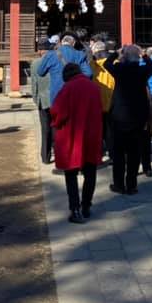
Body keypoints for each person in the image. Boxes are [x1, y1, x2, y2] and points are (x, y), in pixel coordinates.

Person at [49, 62, 103, 223]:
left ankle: (75, 209)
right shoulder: (94, 87)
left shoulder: (68, 89)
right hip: (91, 134)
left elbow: (57, 111)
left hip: (71, 135)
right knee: (90, 172)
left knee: (71, 174)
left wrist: (55, 122)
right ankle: (86, 206)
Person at [105, 44, 152, 194]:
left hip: (119, 116)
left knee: (119, 153)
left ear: (124, 57)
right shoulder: (142, 71)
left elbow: (107, 64)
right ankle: (131, 185)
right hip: (137, 117)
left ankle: (119, 184)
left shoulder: (119, 69)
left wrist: (116, 53)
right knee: (134, 153)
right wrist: (144, 55)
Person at [37, 34, 92, 105]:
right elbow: (89, 73)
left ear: (61, 42)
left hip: (57, 93)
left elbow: (40, 72)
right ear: (74, 43)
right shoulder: (80, 54)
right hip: (75, 92)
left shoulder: (50, 54)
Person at [90, 39, 116, 162]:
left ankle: (98, 155)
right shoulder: (115, 64)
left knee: (97, 132)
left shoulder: (91, 66)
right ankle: (112, 155)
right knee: (111, 133)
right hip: (113, 104)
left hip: (96, 104)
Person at [30, 38, 54, 163]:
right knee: (56, 127)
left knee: (45, 129)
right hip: (56, 98)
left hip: (42, 99)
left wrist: (35, 98)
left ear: (39, 50)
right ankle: (58, 151)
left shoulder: (35, 63)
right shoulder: (56, 60)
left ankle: (45, 156)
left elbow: (34, 83)